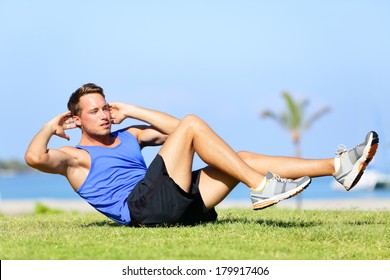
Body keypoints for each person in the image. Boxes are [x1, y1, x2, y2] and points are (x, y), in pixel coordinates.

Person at [25, 83, 379, 226]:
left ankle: (339, 166)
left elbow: (179, 128)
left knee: (239, 156)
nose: (103, 114)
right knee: (196, 127)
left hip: (168, 201)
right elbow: (34, 158)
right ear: (76, 118)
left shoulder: (128, 135)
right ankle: (260, 185)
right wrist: (49, 125)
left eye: (105, 107)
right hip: (141, 208)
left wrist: (132, 109)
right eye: (94, 111)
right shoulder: (75, 157)